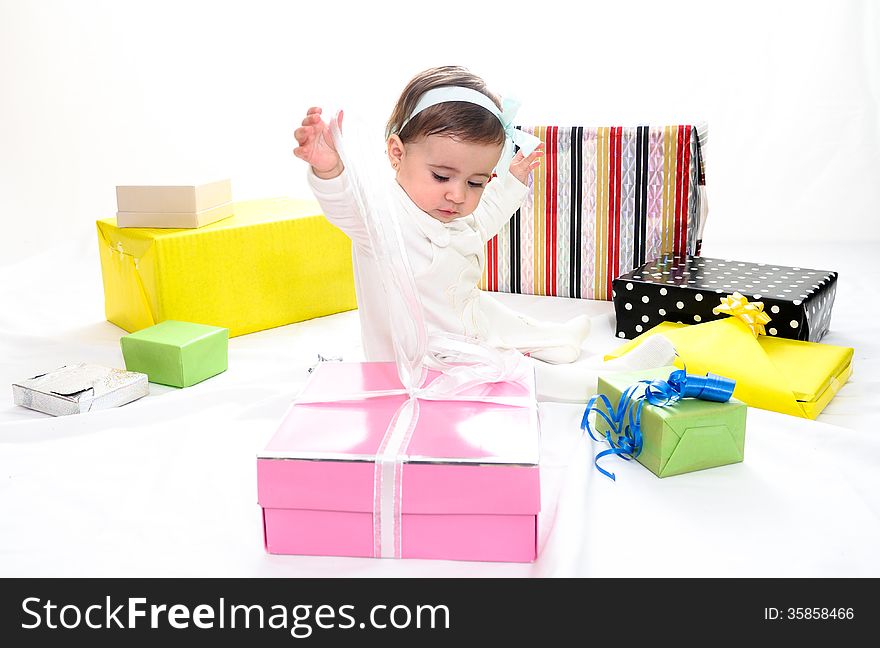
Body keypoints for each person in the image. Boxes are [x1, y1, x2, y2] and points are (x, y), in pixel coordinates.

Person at [293, 65, 674, 400]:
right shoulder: (381, 218)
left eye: (476, 182)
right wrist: (329, 170)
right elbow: (346, 203)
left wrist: (509, 182)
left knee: (498, 315)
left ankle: (557, 339)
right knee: (512, 373)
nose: (458, 194)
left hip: (466, 317)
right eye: (441, 176)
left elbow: (484, 218)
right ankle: (606, 381)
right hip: (427, 361)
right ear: (396, 153)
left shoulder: (453, 212)